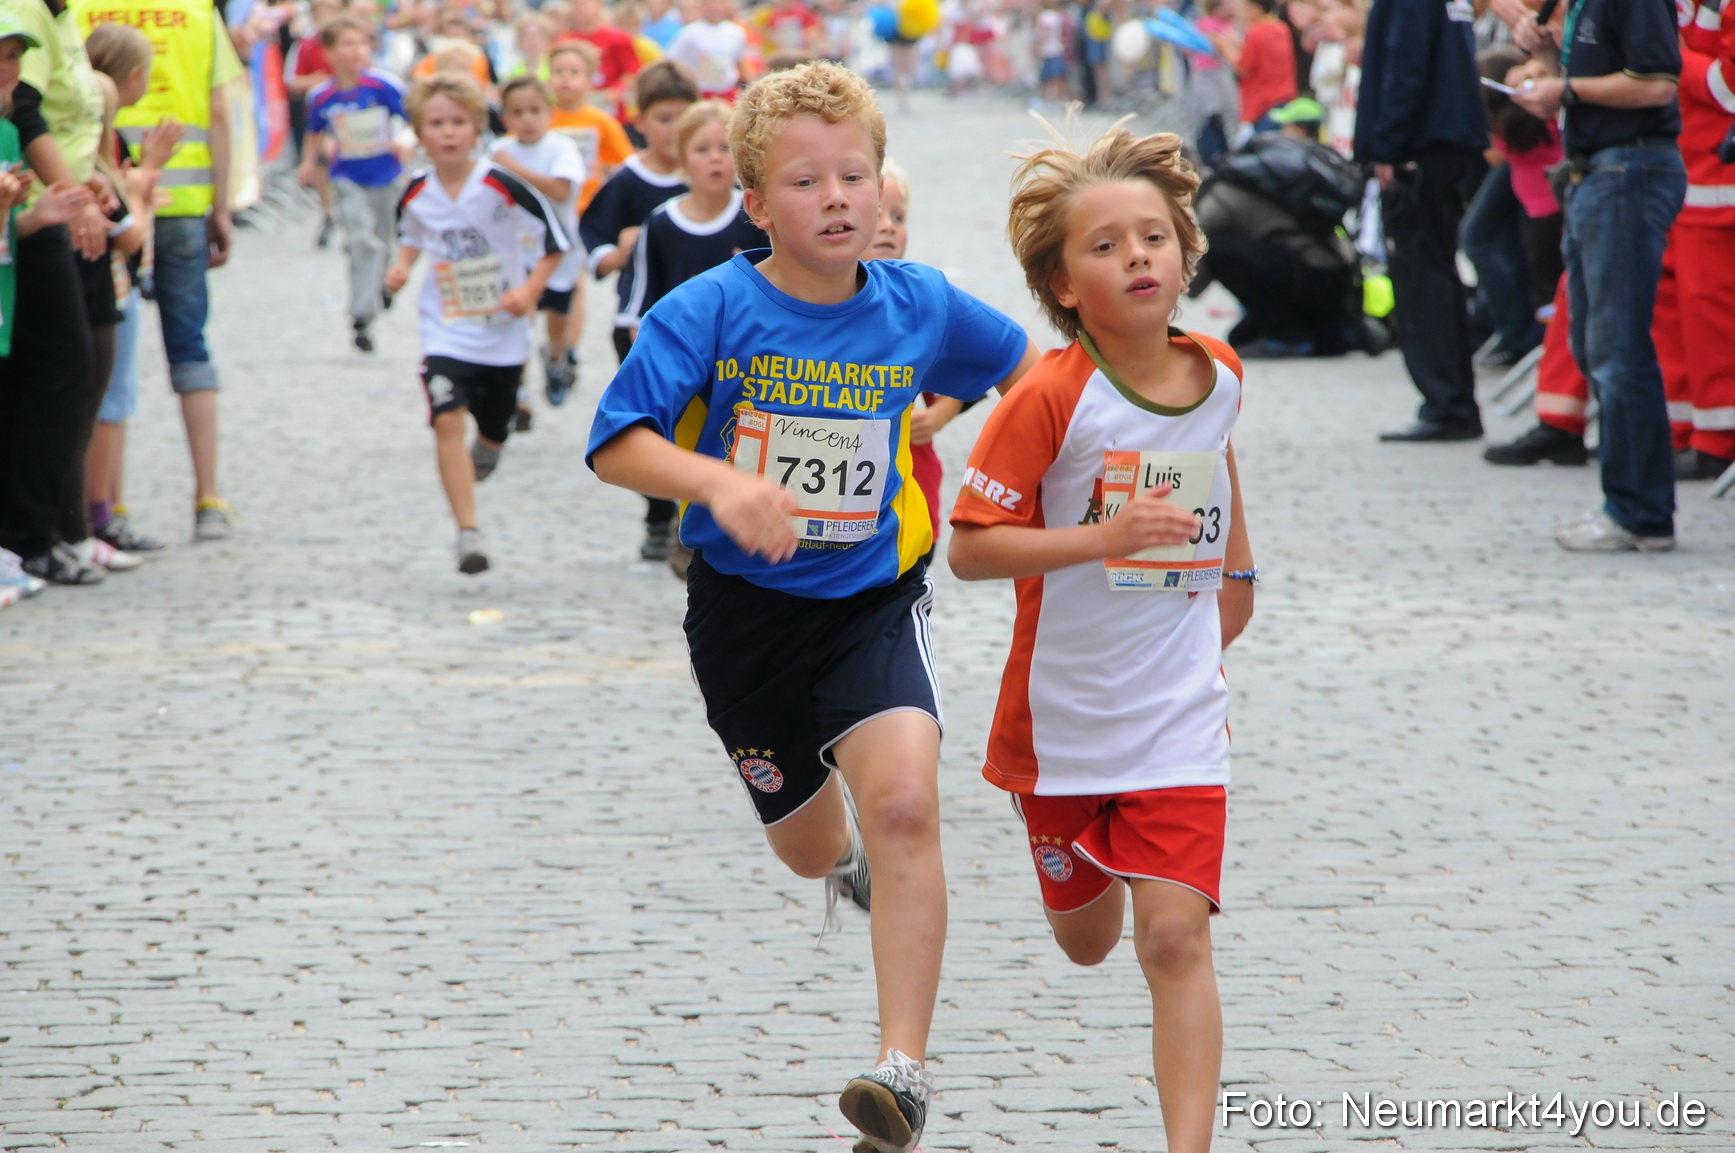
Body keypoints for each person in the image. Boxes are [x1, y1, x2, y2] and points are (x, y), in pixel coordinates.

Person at [586, 62, 1037, 1153]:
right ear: (754, 205)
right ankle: (833, 859)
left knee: (906, 812)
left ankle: (901, 1077)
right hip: (743, 619)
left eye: (857, 175)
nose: (839, 197)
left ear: (884, 189)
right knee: (810, 847)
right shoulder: (712, 306)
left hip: (871, 602)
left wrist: (958, 420)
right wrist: (722, 485)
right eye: (805, 181)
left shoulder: (918, 302)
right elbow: (616, 444)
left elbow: (1023, 369)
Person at [948, 126, 1253, 1153]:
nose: (1138, 257)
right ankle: (1078, 869)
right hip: (1061, 726)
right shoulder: (1047, 395)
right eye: (1107, 245)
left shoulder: (1218, 371)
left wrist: (1237, 572)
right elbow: (973, 551)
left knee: (1174, 937)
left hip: (1177, 717)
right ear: (1062, 283)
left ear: (1184, 253)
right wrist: (1105, 538)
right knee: (1088, 944)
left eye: (1155, 237)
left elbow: (1216, 459)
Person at [1508, 0, 1685, 548]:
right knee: (1597, 347)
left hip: (1627, 169)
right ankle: (1635, 504)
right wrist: (1547, 53)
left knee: (1617, 349)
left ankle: (1639, 511)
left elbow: (1656, 83)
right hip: (1599, 171)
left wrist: (1568, 90)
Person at [73, 0, 246, 541]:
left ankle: (111, 504)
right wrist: (222, 204)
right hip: (181, 202)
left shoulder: (78, 10)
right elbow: (220, 113)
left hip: (101, 190)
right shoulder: (196, 14)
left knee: (112, 356)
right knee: (189, 346)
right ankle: (208, 495)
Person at [384, 74, 570, 574]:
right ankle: (468, 533)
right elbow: (411, 233)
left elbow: (556, 243)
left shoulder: (500, 184)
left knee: (492, 426)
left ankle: (491, 443)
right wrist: (401, 266)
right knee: (445, 418)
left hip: (502, 333)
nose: (448, 133)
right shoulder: (416, 190)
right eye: (437, 124)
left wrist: (529, 292)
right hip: (444, 326)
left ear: (476, 129)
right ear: (420, 134)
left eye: (458, 122)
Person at [0, 0, 105, 585]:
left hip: (40, 214)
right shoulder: (25, 9)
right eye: (3, 59)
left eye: (14, 58)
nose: (10, 69)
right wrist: (62, 204)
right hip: (36, 224)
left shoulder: (59, 16)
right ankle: (28, 535)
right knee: (62, 371)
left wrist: (92, 185)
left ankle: (31, 536)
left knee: (51, 373)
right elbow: (32, 116)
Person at [1353, 0, 1488, 441]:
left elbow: (1405, 64)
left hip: (1418, 147)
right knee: (1439, 274)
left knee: (1421, 279)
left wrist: (1387, 146)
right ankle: (1453, 400)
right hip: (1446, 142)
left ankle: (1445, 404)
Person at [578, 58, 695, 561]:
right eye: (663, 118)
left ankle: (694, 517)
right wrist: (614, 253)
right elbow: (592, 234)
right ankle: (657, 515)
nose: (674, 130)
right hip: (643, 320)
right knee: (652, 423)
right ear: (641, 121)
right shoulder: (630, 180)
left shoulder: (713, 171)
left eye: (683, 117)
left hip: (713, 327)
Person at [83, 20, 179, 556]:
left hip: (119, 288)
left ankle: (107, 507)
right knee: (110, 404)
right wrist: (146, 186)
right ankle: (103, 510)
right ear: (133, 76)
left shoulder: (108, 142)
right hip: (114, 290)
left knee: (115, 401)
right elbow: (129, 229)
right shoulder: (105, 143)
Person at [1191, 97, 1365, 358]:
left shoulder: (1217, 200)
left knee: (1218, 250)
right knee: (1239, 339)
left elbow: (1194, 280)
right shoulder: (1239, 181)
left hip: (1315, 281)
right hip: (1333, 278)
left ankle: (1286, 337)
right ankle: (1310, 334)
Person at [863, 158, 970, 548]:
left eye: (898, 216)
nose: (889, 225)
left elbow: (976, 367)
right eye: (878, 215)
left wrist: (940, 413)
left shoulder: (921, 300)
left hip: (913, 484)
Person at [300, 15, 408, 354]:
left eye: (361, 43)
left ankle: (383, 287)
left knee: (385, 241)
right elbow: (315, 132)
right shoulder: (322, 95)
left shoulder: (383, 86)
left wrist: (405, 140)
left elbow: (410, 120)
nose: (357, 51)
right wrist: (307, 163)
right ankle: (362, 316)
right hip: (347, 177)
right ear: (329, 53)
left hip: (386, 175)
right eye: (348, 44)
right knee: (361, 241)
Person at [492, 74, 586, 405]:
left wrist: (513, 170)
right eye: (517, 113)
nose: (527, 119)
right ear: (506, 118)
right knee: (519, 318)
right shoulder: (498, 150)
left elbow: (560, 189)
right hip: (517, 253)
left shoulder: (561, 149)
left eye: (534, 110)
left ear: (549, 112)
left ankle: (556, 358)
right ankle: (518, 387)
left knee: (556, 323)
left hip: (558, 253)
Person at [1225, 0, 1296, 134]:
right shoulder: (1281, 27)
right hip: (1283, 98)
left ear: (1255, 9)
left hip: (1261, 104)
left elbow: (1243, 68)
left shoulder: (1255, 32)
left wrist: (1226, 48)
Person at [667, 0, 751, 99]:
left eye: (717, 3)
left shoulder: (736, 32)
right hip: (700, 93)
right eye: (708, 3)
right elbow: (671, 61)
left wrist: (750, 87)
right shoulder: (688, 33)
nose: (713, 7)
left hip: (727, 93)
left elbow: (740, 62)